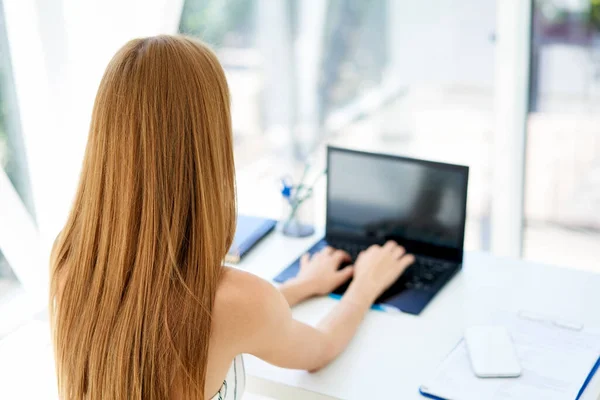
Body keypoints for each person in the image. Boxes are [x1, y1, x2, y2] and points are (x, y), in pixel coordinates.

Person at [49, 35, 415, 400]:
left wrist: (303, 287)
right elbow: (319, 350)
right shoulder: (232, 302)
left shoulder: (69, 260)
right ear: (208, 149)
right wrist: (365, 285)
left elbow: (176, 314)